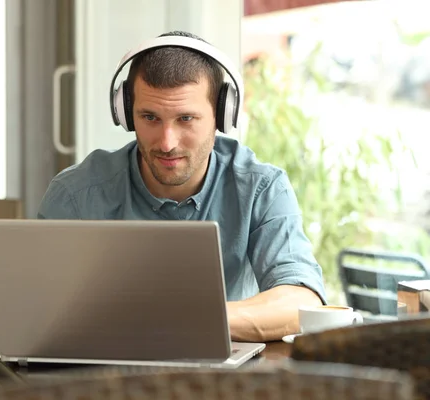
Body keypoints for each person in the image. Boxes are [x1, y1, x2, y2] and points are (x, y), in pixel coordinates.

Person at [37, 30, 327, 342]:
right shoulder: (76, 194)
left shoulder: (262, 188)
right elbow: (36, 308)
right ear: (126, 113)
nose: (167, 142)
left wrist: (184, 317)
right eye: (150, 117)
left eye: (186, 119)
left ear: (221, 115)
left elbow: (301, 301)